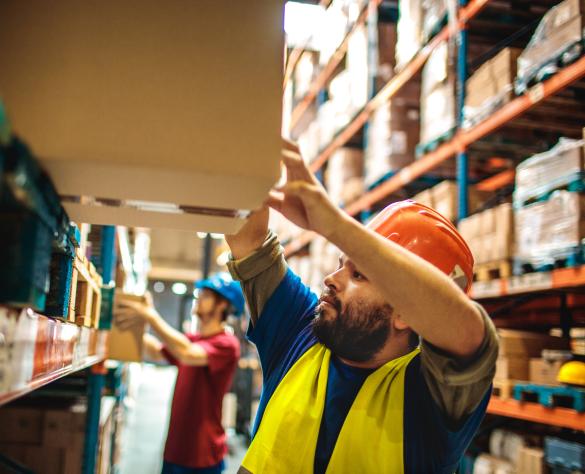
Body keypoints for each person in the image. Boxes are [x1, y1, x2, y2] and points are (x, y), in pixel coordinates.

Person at [224, 140, 499, 473]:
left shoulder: (431, 399)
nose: (331, 279)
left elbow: (469, 335)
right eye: (341, 263)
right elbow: (249, 239)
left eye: (359, 274)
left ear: (405, 312)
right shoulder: (300, 331)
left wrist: (335, 225)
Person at [115, 272, 244, 474]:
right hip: (175, 449)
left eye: (207, 295)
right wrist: (132, 322)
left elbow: (187, 353)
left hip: (201, 456)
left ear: (222, 305)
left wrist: (151, 315)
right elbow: (156, 351)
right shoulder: (193, 339)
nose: (199, 298)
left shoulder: (227, 345)